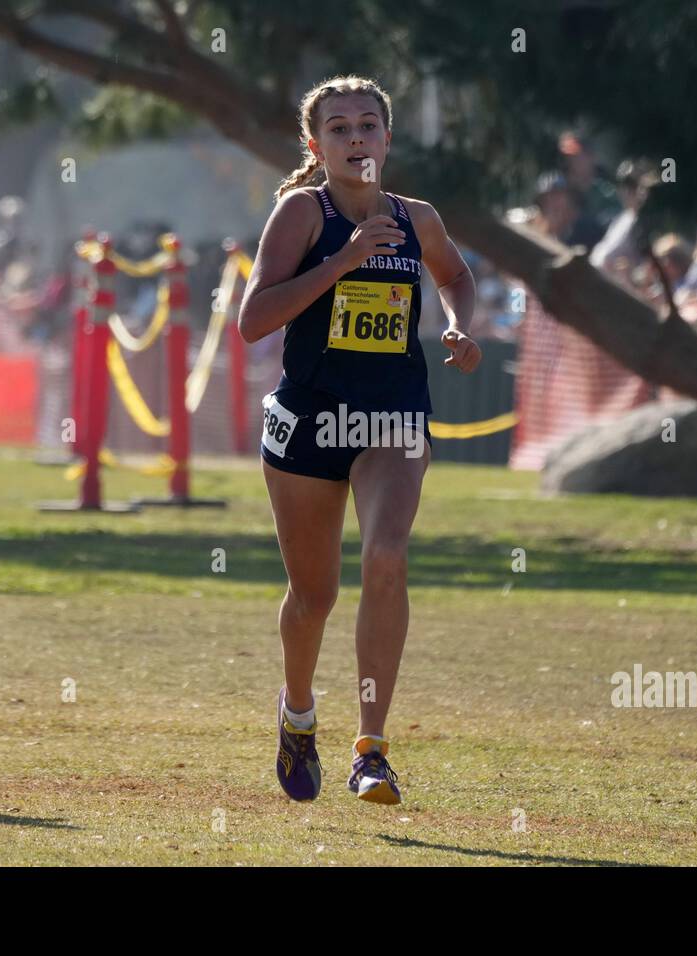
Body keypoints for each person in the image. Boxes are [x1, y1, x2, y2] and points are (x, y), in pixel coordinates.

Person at [237, 74, 481, 805]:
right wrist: (341, 262)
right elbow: (254, 320)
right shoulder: (298, 215)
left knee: (387, 556)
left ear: (387, 139)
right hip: (311, 419)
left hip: (392, 418)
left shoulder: (418, 218)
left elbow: (458, 276)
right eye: (338, 128)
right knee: (314, 597)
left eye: (367, 125)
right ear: (316, 146)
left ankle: (372, 751)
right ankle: (298, 714)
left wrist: (460, 322)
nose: (354, 138)